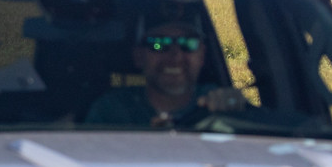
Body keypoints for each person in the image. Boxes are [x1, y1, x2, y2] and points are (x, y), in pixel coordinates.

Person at [85, 17, 249, 129]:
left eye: (188, 44)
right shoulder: (112, 112)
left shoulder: (221, 103)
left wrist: (239, 110)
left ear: (202, 56)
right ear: (139, 56)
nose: (175, 56)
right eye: (159, 44)